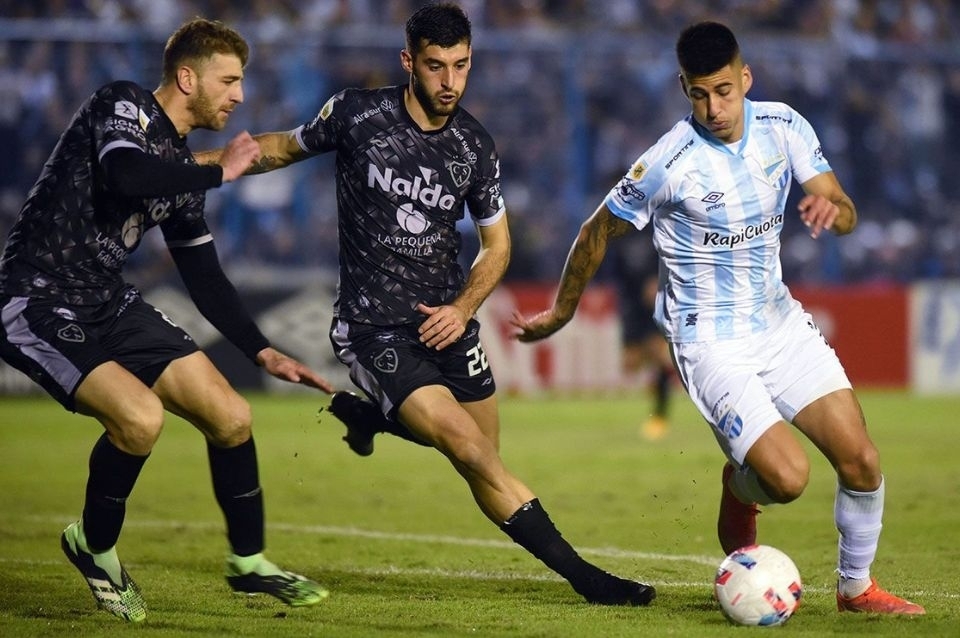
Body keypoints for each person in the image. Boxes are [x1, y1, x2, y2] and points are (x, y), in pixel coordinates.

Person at [204, 3, 654, 606]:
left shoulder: (474, 146)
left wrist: (464, 308)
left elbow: (497, 246)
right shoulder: (358, 115)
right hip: (374, 328)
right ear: (408, 62)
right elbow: (283, 148)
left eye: (461, 66)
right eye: (436, 66)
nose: (450, 81)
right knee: (469, 449)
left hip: (448, 321)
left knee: (483, 455)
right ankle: (588, 579)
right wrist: (193, 167)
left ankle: (372, 418)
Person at [511, 21, 924, 615]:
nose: (714, 108)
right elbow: (594, 232)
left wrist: (832, 211)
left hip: (778, 322)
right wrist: (560, 312)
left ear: (745, 78)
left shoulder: (783, 127)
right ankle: (741, 484)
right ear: (684, 88)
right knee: (787, 479)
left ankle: (856, 588)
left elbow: (846, 210)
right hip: (708, 341)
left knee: (862, 461)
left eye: (724, 91)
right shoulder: (667, 161)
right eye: (700, 94)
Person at [0, 18, 334, 622]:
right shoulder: (122, 104)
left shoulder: (180, 169)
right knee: (140, 419)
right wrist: (220, 171)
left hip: (107, 300)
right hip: (36, 298)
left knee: (231, 416)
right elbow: (127, 174)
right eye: (228, 81)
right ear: (187, 78)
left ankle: (249, 561)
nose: (239, 95)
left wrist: (262, 350)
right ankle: (93, 545)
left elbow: (204, 276)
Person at [609, 226, 674, 440]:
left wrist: (659, 281)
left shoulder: (656, 226)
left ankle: (660, 416)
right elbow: (616, 269)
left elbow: (669, 255)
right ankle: (642, 415)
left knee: (658, 355)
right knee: (631, 362)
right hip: (630, 304)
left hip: (653, 301)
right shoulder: (621, 231)